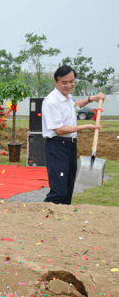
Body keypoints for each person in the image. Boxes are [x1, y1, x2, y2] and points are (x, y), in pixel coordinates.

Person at [42, 65, 105, 205]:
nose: (69, 85)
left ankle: (63, 222)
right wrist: (87, 126)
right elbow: (59, 129)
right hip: (57, 146)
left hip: (70, 146)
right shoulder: (52, 101)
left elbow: (74, 105)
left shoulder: (66, 98)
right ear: (56, 82)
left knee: (68, 188)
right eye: (64, 82)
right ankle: (41, 217)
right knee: (59, 191)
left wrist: (92, 98)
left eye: (72, 81)